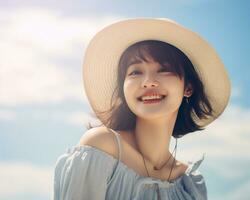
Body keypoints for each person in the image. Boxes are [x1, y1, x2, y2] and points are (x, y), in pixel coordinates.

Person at [53, 18, 231, 200]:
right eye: (135, 72)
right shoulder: (101, 146)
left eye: (164, 70)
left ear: (188, 88)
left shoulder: (189, 184)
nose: (148, 82)